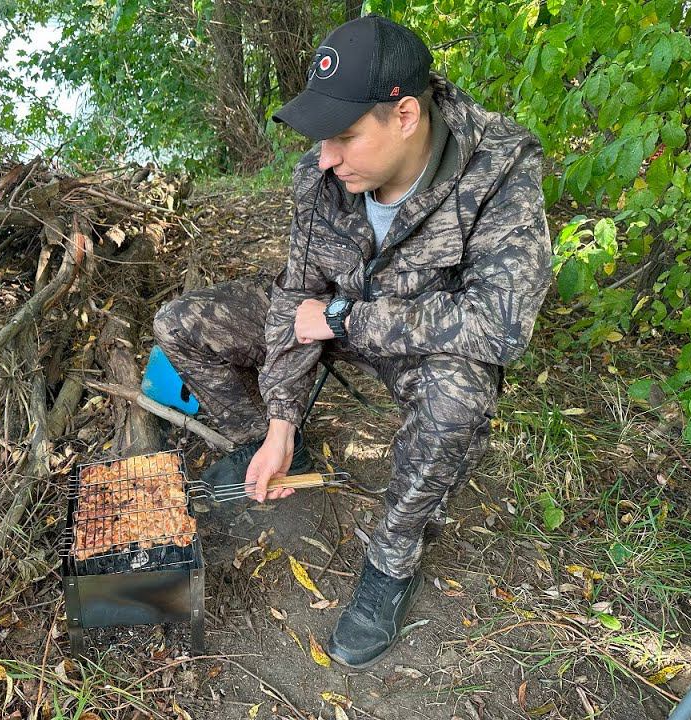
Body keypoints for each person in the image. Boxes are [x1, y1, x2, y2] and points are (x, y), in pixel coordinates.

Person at [153, 13, 552, 668]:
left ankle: (392, 561)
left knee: (459, 398)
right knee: (181, 323)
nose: (326, 158)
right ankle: (269, 446)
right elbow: (295, 296)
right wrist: (280, 421)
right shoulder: (323, 175)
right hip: (328, 316)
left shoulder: (498, 168)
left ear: (405, 116)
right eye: (322, 138)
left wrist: (345, 319)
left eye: (344, 137)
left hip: (415, 344)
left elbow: (501, 323)